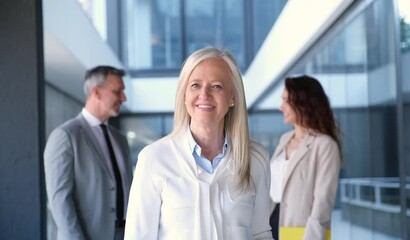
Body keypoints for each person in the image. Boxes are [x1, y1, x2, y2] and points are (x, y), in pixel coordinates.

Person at [124, 47, 273, 240]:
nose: (204, 94)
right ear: (184, 95)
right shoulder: (153, 158)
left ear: (233, 98)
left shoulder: (255, 159)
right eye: (195, 85)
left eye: (217, 86)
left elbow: (261, 233)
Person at [44, 66, 133, 240]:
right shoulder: (65, 136)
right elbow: (60, 200)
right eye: (117, 91)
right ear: (96, 92)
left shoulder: (120, 140)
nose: (124, 97)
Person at [269, 75, 341, 240]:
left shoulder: (325, 145)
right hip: (271, 223)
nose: (281, 107)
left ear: (303, 102)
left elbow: (322, 203)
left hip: (301, 232)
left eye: (286, 100)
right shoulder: (284, 139)